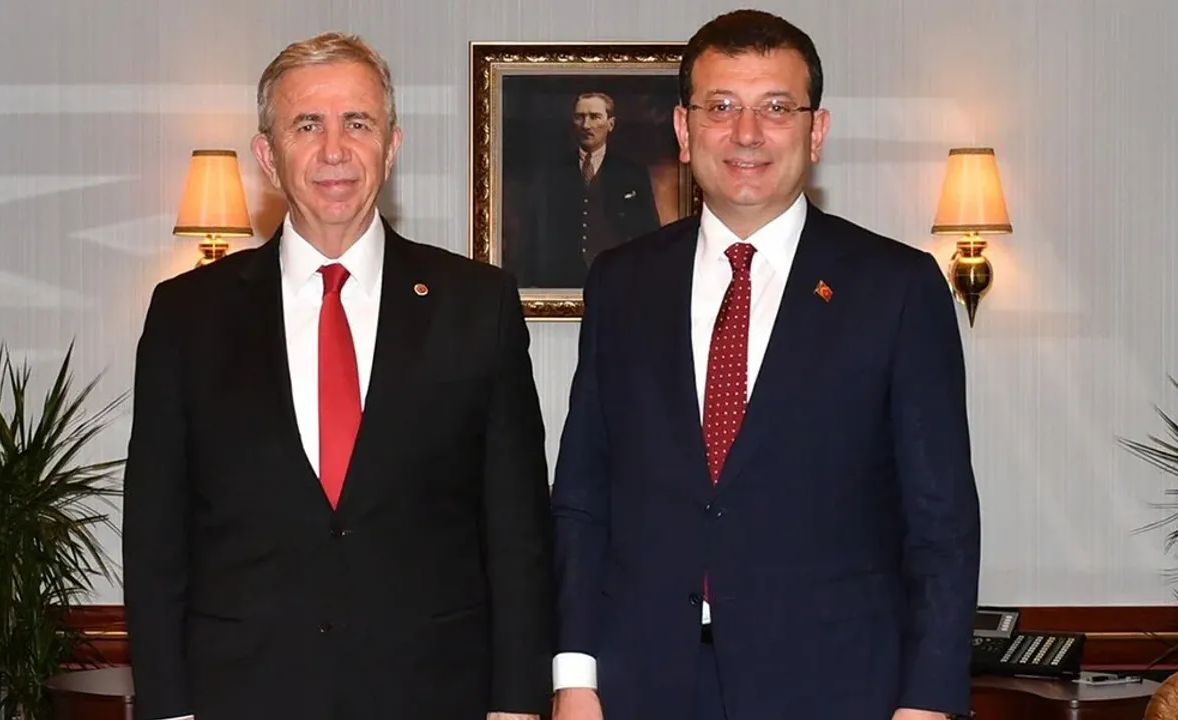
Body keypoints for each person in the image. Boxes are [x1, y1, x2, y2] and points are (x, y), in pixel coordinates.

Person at [550, 10, 980, 720]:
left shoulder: (895, 288)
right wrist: (573, 676)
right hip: (639, 684)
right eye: (720, 107)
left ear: (817, 131)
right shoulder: (622, 282)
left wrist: (929, 701)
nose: (746, 133)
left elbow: (942, 521)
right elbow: (582, 495)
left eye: (776, 108)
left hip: (836, 688)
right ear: (684, 130)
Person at [122, 31, 555, 720]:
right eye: (306, 125)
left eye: (358, 123)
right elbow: (155, 536)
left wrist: (518, 703)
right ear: (268, 156)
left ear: (391, 146)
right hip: (240, 694)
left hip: (434, 692)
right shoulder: (187, 315)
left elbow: (518, 528)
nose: (334, 150)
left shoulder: (478, 305)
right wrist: (168, 708)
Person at [509, 92, 662, 288]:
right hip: (561, 282)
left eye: (595, 117)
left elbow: (650, 234)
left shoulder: (631, 173)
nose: (586, 125)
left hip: (618, 280)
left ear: (611, 124)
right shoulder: (552, 173)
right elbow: (533, 233)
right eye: (579, 117)